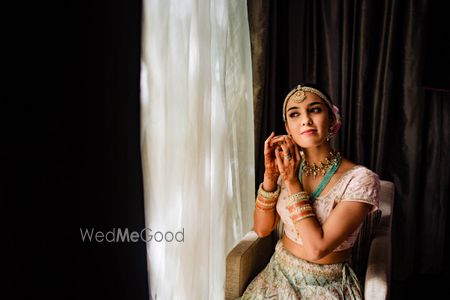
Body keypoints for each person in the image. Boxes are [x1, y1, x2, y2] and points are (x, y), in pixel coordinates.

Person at [240, 84, 380, 299]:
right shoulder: (289, 166)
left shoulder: (361, 179)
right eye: (294, 114)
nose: (305, 119)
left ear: (332, 120)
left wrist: (292, 181)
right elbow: (261, 229)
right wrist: (270, 176)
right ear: (288, 128)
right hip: (277, 275)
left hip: (327, 285)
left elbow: (317, 249)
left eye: (315, 109)